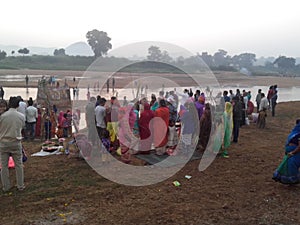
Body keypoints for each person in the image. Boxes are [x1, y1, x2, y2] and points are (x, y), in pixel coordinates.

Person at [0, 96, 26, 192]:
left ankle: (6, 186)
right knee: (18, 165)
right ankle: (20, 185)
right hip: (16, 142)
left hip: (3, 143)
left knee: (4, 166)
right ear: (18, 105)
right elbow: (22, 127)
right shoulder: (21, 116)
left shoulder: (2, 116)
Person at [273, 119, 300, 184]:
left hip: (293, 152)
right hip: (292, 152)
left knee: (290, 165)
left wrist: (292, 152)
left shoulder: (295, 132)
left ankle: (291, 179)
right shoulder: (296, 132)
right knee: (288, 165)